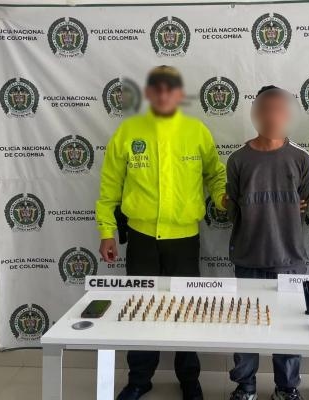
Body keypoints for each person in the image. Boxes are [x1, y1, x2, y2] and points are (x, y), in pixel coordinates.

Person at [95, 65, 226, 400]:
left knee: (187, 309)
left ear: (179, 93)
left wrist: (224, 197)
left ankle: (189, 379)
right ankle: (139, 379)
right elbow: (110, 187)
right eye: (158, 87)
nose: (164, 93)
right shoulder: (128, 132)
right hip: (141, 240)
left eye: (171, 88)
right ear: (149, 92)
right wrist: (107, 231)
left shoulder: (197, 131)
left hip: (184, 240)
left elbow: (215, 175)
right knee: (140, 309)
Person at [226, 86, 309, 400]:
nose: (272, 115)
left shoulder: (301, 158)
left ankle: (287, 388)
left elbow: (305, 204)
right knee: (245, 325)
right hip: (248, 258)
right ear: (255, 113)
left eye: (279, 109)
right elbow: (233, 208)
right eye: (265, 109)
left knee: (288, 327)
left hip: (290, 260)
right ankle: (245, 386)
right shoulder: (237, 160)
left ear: (288, 114)